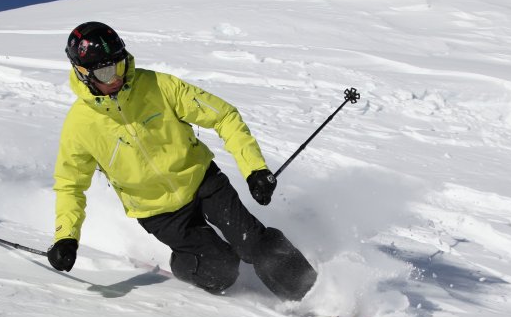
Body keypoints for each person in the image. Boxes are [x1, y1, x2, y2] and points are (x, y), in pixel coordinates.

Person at [47, 21, 317, 301]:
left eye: (120, 64)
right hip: (159, 213)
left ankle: (310, 292)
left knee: (253, 242)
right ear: (83, 73)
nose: (116, 75)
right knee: (223, 269)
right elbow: (69, 186)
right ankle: (186, 262)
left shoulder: (158, 86)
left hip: (202, 181)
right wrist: (66, 237)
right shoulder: (79, 126)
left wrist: (255, 169)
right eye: (105, 71)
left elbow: (224, 115)